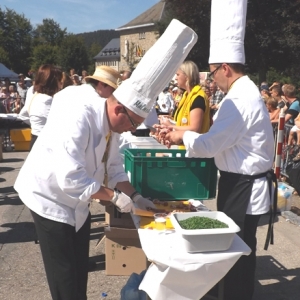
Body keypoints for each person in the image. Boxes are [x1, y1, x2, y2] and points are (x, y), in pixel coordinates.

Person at [14, 19, 197, 300]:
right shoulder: (79, 115)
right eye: (134, 122)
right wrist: (113, 197)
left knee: (80, 271)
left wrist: (135, 196)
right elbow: (70, 178)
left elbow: (113, 168)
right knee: (64, 275)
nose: (134, 129)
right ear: (119, 109)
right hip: (48, 197)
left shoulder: (113, 125)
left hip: (78, 200)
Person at [165, 1, 275, 299]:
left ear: (225, 68)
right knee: (236, 249)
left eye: (212, 73)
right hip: (238, 182)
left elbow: (209, 144)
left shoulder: (239, 100)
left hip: (243, 186)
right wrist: (181, 134)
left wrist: (179, 137)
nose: (210, 79)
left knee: (237, 252)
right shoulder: (241, 93)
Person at [159, 60, 211, 149]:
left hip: (195, 152)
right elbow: (182, 123)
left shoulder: (198, 97)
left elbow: (195, 129)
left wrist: (170, 125)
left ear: (187, 76)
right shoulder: (186, 96)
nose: (176, 78)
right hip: (185, 149)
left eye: (178, 75)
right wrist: (167, 122)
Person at [18, 64, 63, 150]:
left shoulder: (35, 96)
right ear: (52, 82)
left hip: (36, 139)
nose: (61, 83)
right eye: (59, 80)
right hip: (46, 143)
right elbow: (59, 124)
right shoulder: (48, 100)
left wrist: (35, 123)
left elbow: (23, 115)